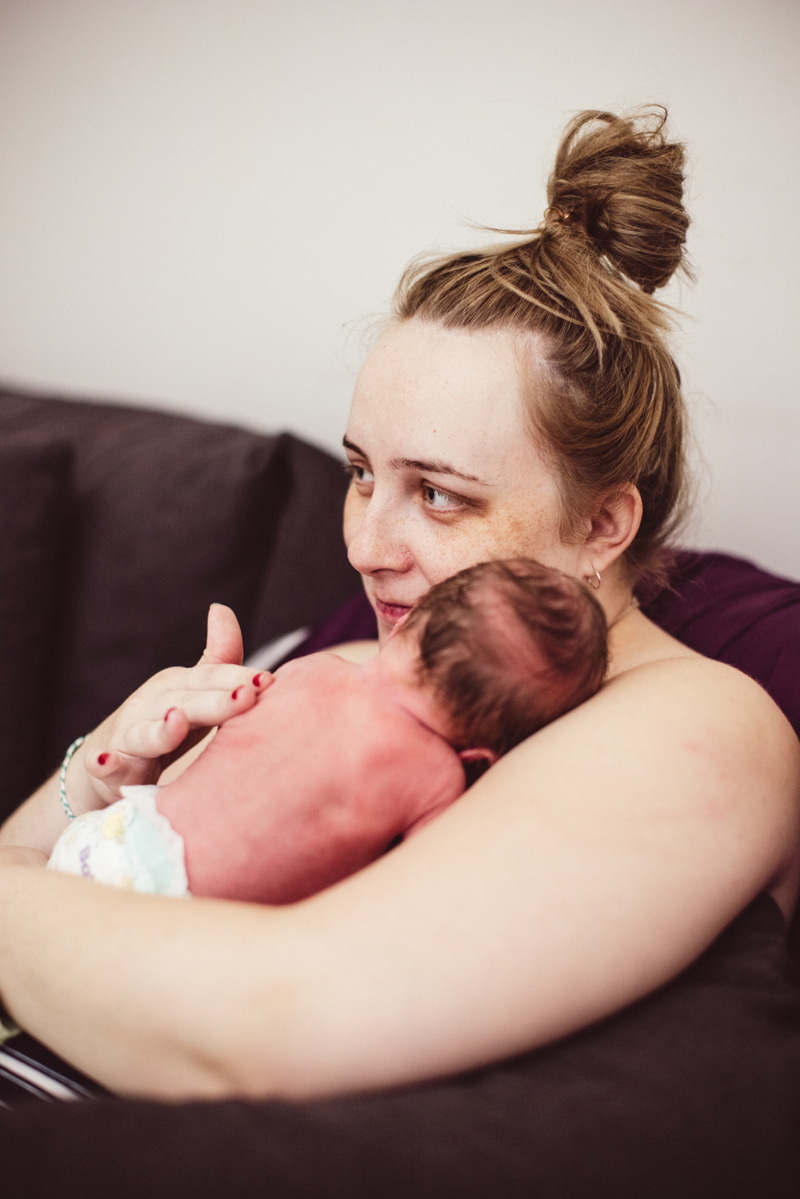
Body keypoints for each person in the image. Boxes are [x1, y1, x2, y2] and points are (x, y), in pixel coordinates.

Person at [0, 106, 798, 1159]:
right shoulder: (355, 660)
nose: (365, 543)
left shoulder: (696, 723)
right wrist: (102, 777)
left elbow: (273, 1025)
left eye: (438, 495)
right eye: (361, 472)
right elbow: (24, 846)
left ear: (603, 523)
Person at [45, 559, 608, 904]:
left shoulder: (309, 670)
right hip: (182, 912)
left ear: (409, 620)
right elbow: (424, 879)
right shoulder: (437, 775)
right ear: (483, 752)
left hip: (109, 837)